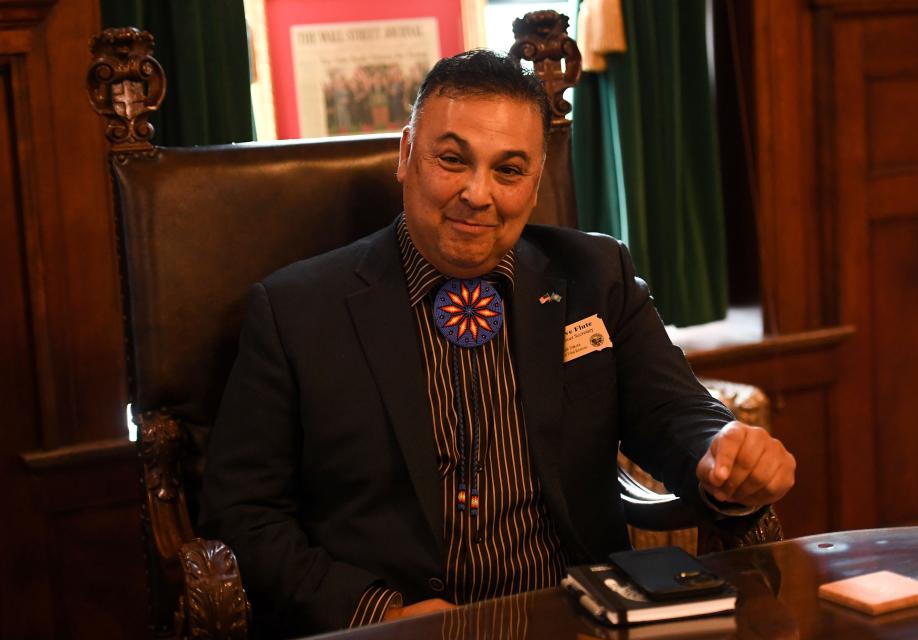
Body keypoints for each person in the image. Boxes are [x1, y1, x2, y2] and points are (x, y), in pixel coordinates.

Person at [199, 50, 795, 638]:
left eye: (509, 170)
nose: (478, 194)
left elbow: (673, 413)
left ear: (535, 184)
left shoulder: (596, 274)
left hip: (575, 618)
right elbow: (242, 514)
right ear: (407, 154)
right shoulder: (295, 310)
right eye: (453, 160)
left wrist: (723, 453)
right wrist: (377, 613)